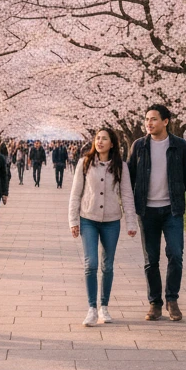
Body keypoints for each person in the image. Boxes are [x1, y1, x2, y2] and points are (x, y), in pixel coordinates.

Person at [127, 104, 186, 322]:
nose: (149, 123)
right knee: (151, 259)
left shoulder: (179, 145)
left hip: (172, 210)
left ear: (165, 121)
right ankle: (155, 303)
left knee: (175, 254)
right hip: (146, 211)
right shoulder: (139, 146)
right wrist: (129, 212)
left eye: (153, 119)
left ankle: (172, 299)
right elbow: (128, 180)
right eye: (146, 119)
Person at [69, 128, 138, 326]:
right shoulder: (85, 163)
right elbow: (75, 194)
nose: (99, 141)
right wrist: (73, 221)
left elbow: (127, 195)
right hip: (88, 219)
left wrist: (131, 222)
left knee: (107, 265)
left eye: (104, 139)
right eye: (97, 138)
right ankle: (91, 308)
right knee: (91, 264)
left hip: (111, 221)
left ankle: (104, 307)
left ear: (112, 143)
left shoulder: (121, 167)